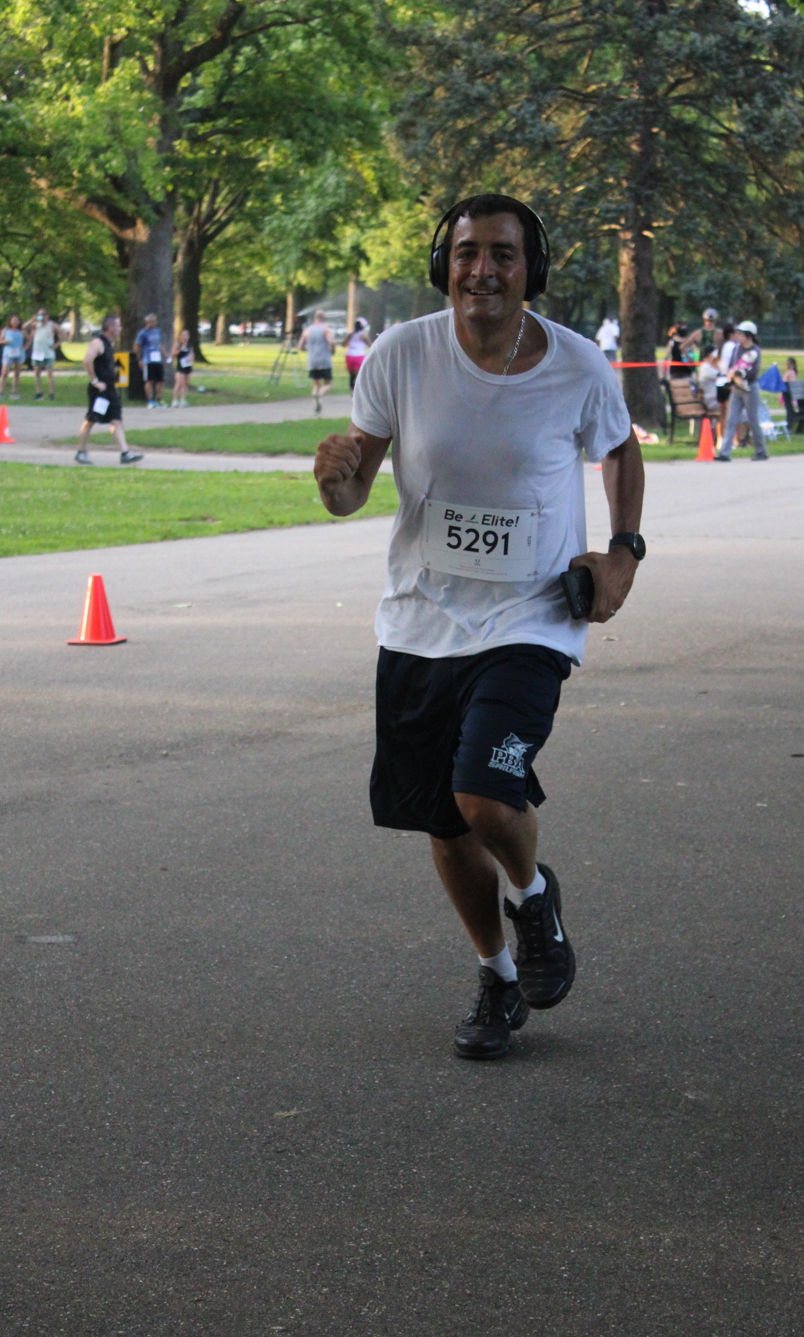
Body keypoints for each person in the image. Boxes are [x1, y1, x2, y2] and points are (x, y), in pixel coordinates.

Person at [312, 192, 645, 1061]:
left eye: (503, 253)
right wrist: (334, 482)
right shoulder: (401, 354)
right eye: (467, 253)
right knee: (446, 824)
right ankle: (498, 978)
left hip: (532, 618)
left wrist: (624, 553)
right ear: (443, 263)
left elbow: (620, 447)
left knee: (484, 793)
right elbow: (353, 490)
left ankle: (534, 898)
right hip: (420, 623)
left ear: (532, 269)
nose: (482, 270)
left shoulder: (575, 365)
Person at [75, 314, 144, 466]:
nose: (120, 329)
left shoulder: (109, 345)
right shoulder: (98, 343)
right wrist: (95, 381)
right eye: (118, 326)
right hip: (100, 391)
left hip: (110, 390)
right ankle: (81, 451)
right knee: (91, 420)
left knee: (116, 420)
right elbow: (87, 360)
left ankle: (125, 453)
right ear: (111, 328)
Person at [714, 320, 768, 461]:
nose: (738, 336)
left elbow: (753, 372)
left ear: (749, 336)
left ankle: (761, 451)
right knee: (731, 420)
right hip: (736, 388)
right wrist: (732, 374)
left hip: (750, 388)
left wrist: (740, 373)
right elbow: (732, 365)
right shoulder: (737, 349)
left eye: (741, 334)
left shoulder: (755, 351)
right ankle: (725, 453)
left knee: (753, 420)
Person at [298, 310, 335, 413]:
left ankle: (317, 408)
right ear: (323, 318)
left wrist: (309, 350)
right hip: (324, 360)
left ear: (315, 318)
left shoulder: (307, 331)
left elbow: (300, 346)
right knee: (328, 384)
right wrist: (332, 350)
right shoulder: (326, 330)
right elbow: (331, 342)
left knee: (315, 384)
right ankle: (320, 394)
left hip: (312, 360)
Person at [25, 308, 62, 400]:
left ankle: (51, 393)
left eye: (43, 314)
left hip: (48, 353)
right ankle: (39, 392)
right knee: (37, 373)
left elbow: (63, 334)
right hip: (37, 352)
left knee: (49, 373)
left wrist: (56, 344)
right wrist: (32, 320)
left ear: (47, 316)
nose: (41, 316)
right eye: (39, 314)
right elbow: (23, 327)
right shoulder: (36, 324)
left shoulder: (52, 325)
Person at [133, 313, 167, 408]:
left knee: (160, 380)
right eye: (151, 321)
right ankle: (150, 400)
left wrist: (165, 354)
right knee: (149, 380)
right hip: (148, 359)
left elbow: (159, 344)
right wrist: (139, 358)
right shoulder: (143, 333)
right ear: (147, 322)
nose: (153, 323)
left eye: (154, 321)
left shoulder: (157, 332)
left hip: (157, 359)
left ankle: (159, 399)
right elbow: (136, 345)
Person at [715, 322, 738, 441]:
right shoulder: (733, 347)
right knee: (731, 413)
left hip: (719, 382)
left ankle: (720, 438)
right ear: (731, 334)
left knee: (722, 414)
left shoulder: (721, 347)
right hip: (728, 382)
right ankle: (733, 439)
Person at [0, 315, 27, 399]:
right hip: (8, 354)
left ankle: (14, 393)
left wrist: (26, 347)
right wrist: (5, 341)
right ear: (10, 321)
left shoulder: (21, 331)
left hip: (19, 353)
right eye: (13, 320)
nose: (15, 322)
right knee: (4, 374)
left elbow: (29, 339)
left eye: (17, 320)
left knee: (17, 374)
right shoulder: (6, 330)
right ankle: (0, 393)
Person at [342, 316, 371, 391]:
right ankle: (358, 391)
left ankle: (352, 390)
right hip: (359, 355)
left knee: (352, 375)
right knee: (359, 375)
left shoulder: (351, 335)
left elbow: (343, 344)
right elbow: (370, 345)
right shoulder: (363, 335)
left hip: (349, 355)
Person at [171, 328, 194, 407]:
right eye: (183, 335)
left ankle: (183, 399)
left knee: (185, 384)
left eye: (187, 335)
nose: (185, 337)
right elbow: (173, 354)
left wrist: (191, 359)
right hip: (180, 367)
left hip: (187, 366)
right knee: (179, 383)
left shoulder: (189, 345)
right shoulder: (177, 344)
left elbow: (192, 353)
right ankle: (175, 400)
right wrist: (180, 349)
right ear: (180, 336)